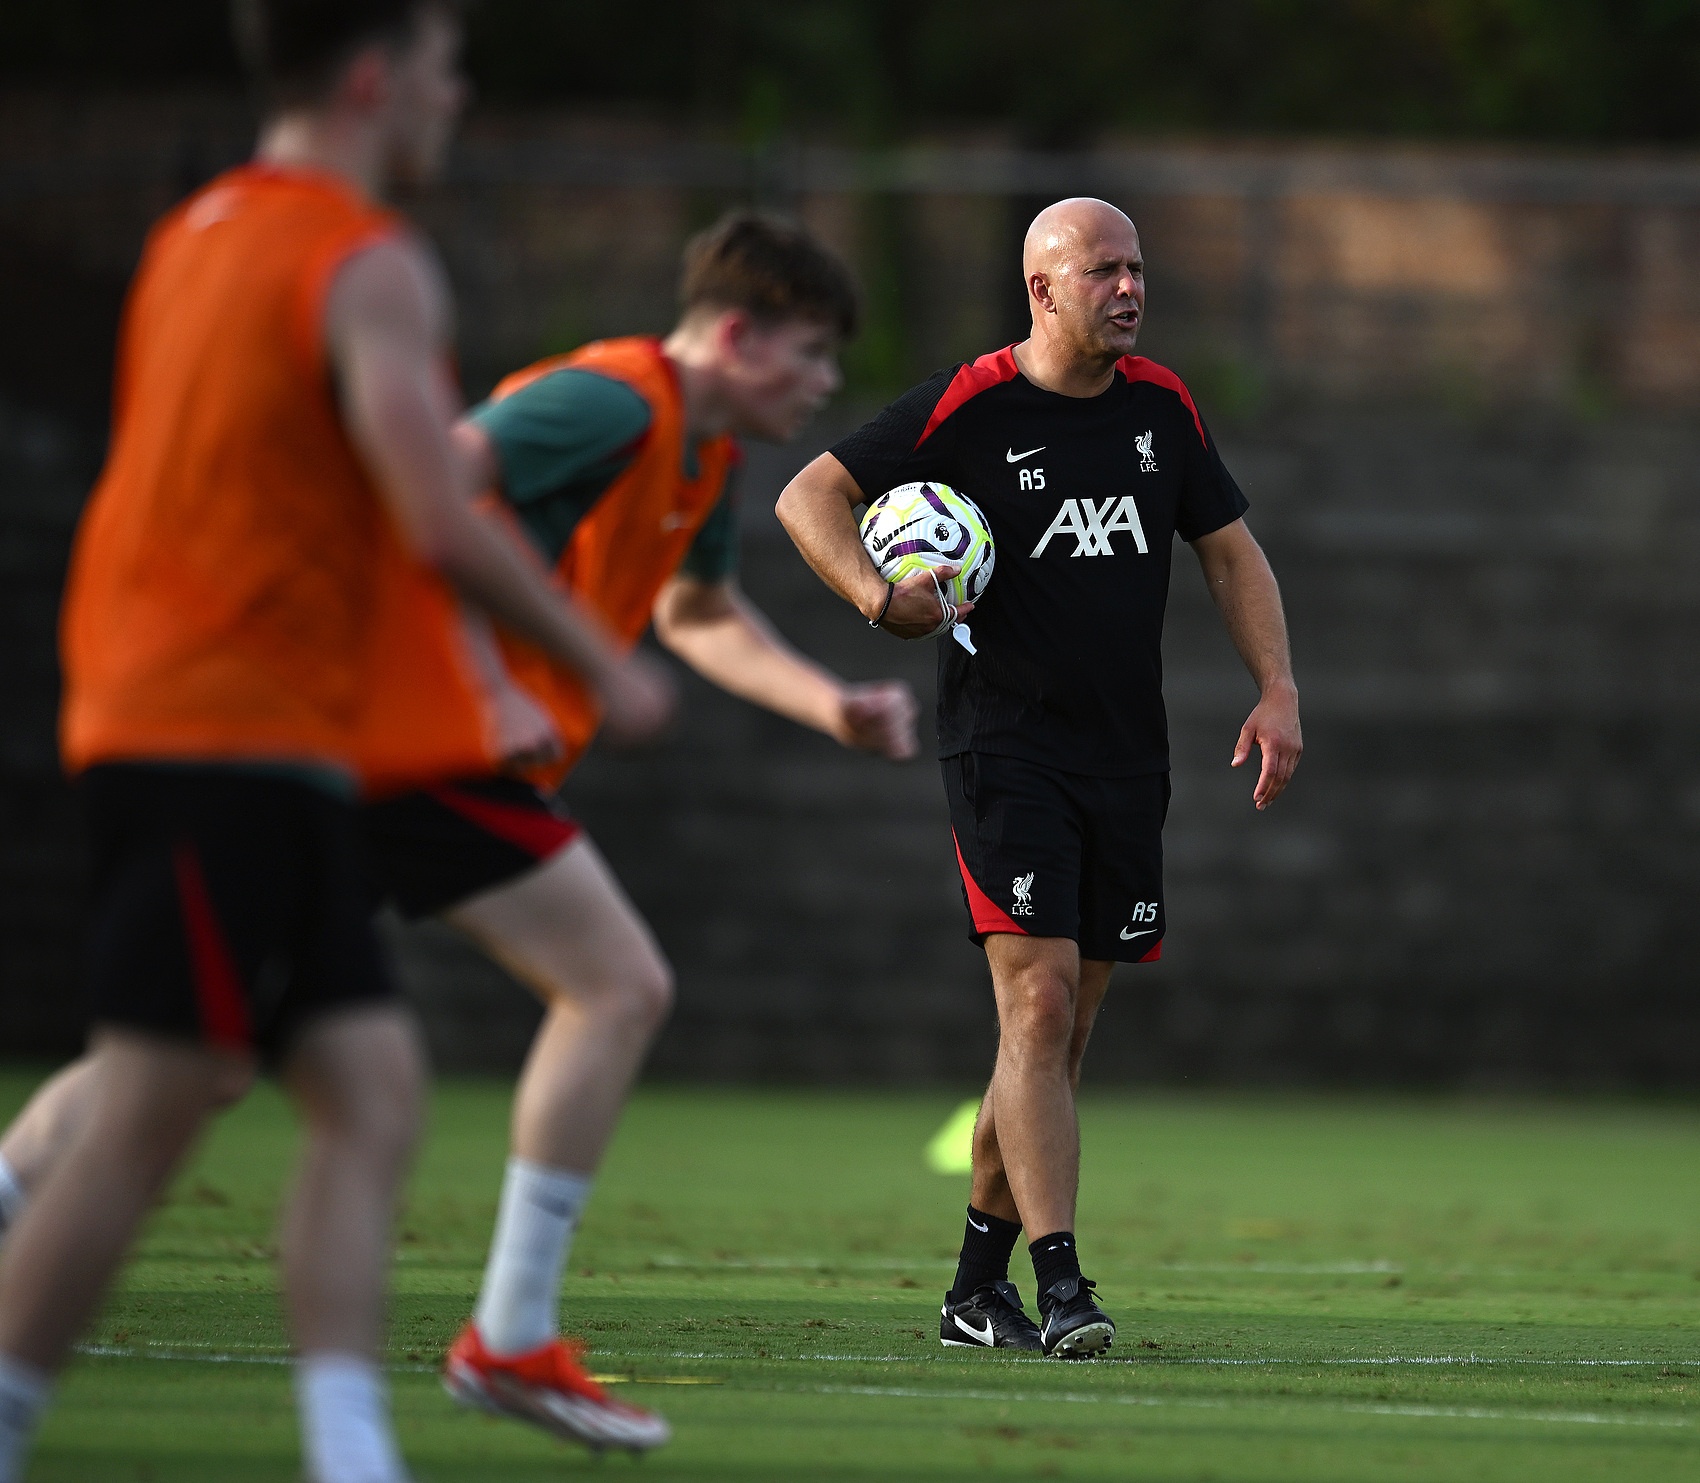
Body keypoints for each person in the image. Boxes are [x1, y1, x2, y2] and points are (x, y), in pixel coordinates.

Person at [0, 214, 916, 1450]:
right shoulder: (609, 402)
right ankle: (508, 1338)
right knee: (617, 984)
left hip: (399, 752)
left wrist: (826, 704)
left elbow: (697, 613)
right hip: (418, 741)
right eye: (809, 353)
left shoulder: (697, 454)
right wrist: (483, 682)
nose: (822, 382)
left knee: (190, 1057)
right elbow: (428, 488)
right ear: (738, 335)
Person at [0, 4, 671, 1481]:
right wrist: (592, 663)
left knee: (366, 1091)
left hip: (244, 729)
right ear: (374, 78)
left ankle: (351, 1450)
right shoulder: (364, 261)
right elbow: (434, 510)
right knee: (150, 1109)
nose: (457, 94)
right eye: (442, 67)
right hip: (218, 730)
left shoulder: (195, 233)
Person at [775, 198, 1303, 1358]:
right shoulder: (969, 405)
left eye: (1136, 267)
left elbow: (1229, 552)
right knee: (1038, 1003)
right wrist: (875, 597)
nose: (1128, 288)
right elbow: (805, 493)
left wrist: (1275, 687)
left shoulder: (1161, 407)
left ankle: (976, 1289)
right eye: (1102, 270)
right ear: (1041, 289)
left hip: (1126, 757)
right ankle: (1061, 1283)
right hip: (1004, 747)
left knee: (1055, 1041)